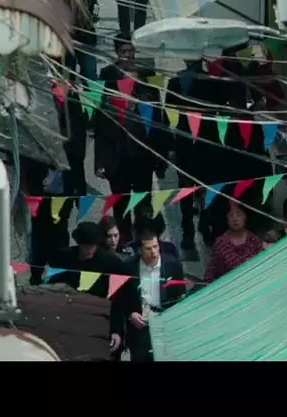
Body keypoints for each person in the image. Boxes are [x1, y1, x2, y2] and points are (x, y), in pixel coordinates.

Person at [95, 35, 165, 245]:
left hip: (142, 156)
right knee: (121, 202)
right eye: (123, 52)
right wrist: (99, 161)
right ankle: (124, 241)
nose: (127, 55)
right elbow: (101, 126)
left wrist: (161, 156)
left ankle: (144, 238)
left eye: (130, 51)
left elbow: (159, 122)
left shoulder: (148, 80)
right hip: (117, 157)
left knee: (143, 202)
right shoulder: (107, 79)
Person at [165, 58, 218, 258]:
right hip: (184, 143)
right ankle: (188, 233)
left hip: (206, 143)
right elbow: (168, 113)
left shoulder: (211, 80)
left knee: (205, 189)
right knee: (186, 190)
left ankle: (205, 226)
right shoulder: (175, 81)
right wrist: (171, 146)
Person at [110, 229, 186, 362]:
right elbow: (119, 299)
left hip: (165, 325)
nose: (154, 252)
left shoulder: (172, 265)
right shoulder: (128, 267)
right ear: (140, 250)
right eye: (148, 249)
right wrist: (130, 314)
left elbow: (180, 297)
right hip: (140, 327)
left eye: (156, 247)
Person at [51, 221, 126, 297]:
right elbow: (54, 280)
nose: (89, 251)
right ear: (79, 244)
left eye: (92, 246)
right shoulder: (64, 256)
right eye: (86, 247)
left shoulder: (110, 260)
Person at [203, 197, 266, 284]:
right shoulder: (221, 242)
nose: (235, 219)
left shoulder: (254, 240)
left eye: (239, 214)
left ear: (245, 217)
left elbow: (262, 267)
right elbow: (211, 271)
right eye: (231, 215)